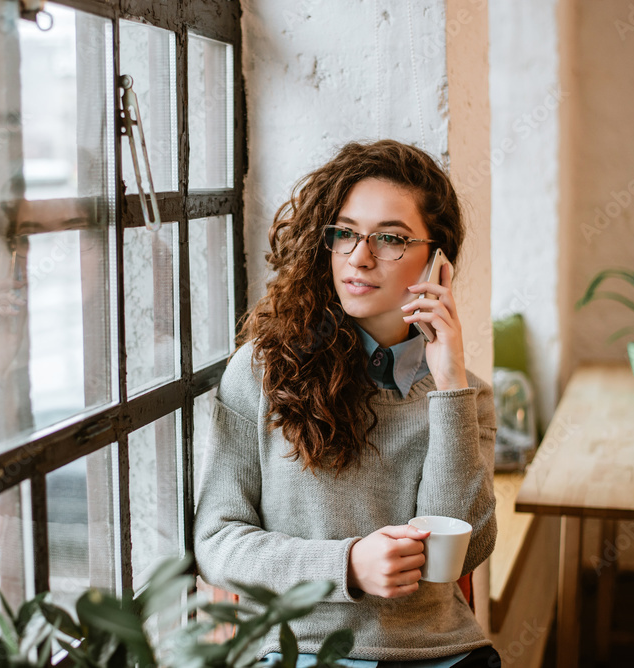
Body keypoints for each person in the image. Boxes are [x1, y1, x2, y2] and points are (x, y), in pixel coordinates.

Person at [193, 140, 501, 667]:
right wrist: (348, 564)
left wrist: (448, 381)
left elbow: (464, 551)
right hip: (304, 652)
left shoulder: (464, 395)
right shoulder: (264, 369)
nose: (359, 257)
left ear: (438, 260)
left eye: (390, 239)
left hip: (441, 653)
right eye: (346, 233)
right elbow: (218, 542)